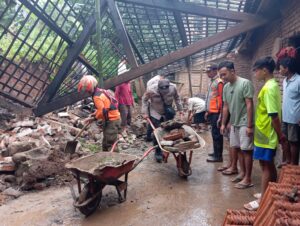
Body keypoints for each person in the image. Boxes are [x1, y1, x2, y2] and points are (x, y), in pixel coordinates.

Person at [244, 57, 287, 211]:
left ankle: (263, 200)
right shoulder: (270, 85)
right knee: (266, 163)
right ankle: (270, 192)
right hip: (263, 132)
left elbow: (274, 115)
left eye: (256, 70)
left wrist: (280, 135)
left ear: (265, 70)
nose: (255, 73)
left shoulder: (269, 88)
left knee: (266, 165)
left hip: (267, 133)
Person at [219, 61, 255, 189]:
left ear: (232, 71)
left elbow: (249, 104)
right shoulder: (226, 87)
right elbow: (226, 107)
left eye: (224, 74)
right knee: (238, 148)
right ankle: (242, 173)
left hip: (245, 121)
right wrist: (224, 123)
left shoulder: (245, 83)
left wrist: (250, 125)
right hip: (234, 122)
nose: (222, 77)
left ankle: (248, 179)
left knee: (246, 150)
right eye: (221, 75)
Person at [142, 79, 183, 162]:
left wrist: (180, 109)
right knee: (157, 132)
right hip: (155, 112)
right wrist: (145, 113)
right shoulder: (151, 90)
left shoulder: (173, 87)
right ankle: (158, 152)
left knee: (168, 129)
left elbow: (177, 98)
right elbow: (144, 100)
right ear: (158, 87)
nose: (164, 92)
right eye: (162, 90)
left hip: (167, 111)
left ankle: (167, 145)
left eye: (166, 91)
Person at [78, 75, 122, 152]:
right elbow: (104, 107)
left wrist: (94, 118)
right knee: (105, 142)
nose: (84, 91)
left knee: (110, 143)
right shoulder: (100, 91)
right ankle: (104, 158)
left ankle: (115, 161)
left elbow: (102, 111)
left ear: (88, 88)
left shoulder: (96, 97)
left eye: (85, 89)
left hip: (112, 120)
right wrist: (94, 114)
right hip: (113, 118)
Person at [277, 47, 300, 165]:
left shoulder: (299, 80)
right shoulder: (285, 80)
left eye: (280, 68)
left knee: (294, 142)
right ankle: (287, 160)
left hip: (294, 118)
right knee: (284, 140)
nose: (279, 71)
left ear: (287, 69)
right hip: (285, 116)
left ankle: (294, 165)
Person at [205, 64, 224, 162]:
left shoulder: (219, 82)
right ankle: (216, 152)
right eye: (207, 72)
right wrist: (207, 111)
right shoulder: (212, 82)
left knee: (217, 134)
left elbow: (222, 98)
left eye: (209, 71)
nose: (207, 73)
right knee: (214, 133)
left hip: (217, 112)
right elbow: (210, 98)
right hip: (212, 111)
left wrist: (221, 114)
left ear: (215, 71)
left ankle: (218, 156)